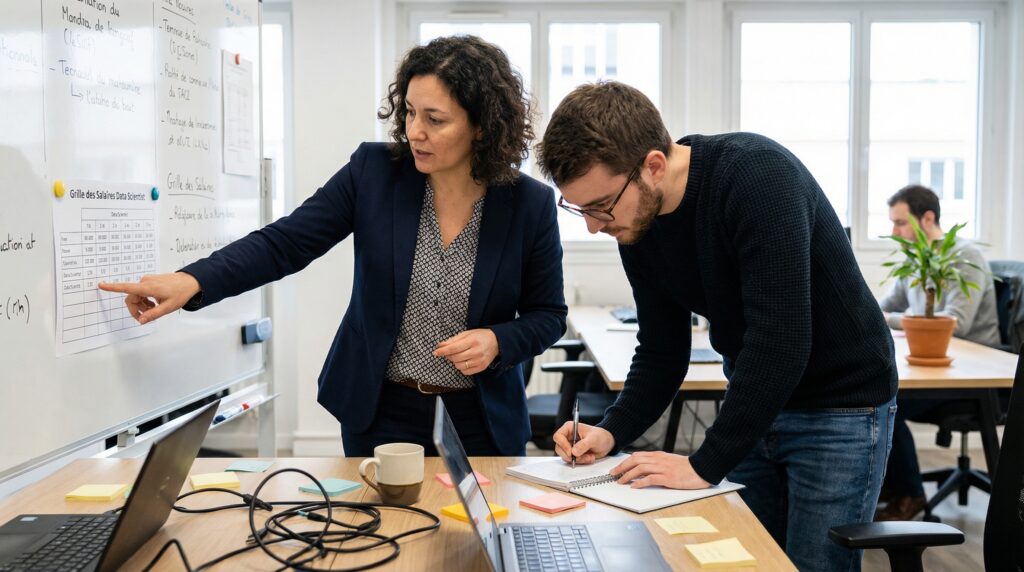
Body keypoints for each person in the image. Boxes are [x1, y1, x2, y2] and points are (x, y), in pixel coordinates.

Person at [99, 36, 567, 457]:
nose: (414, 131)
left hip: (480, 421)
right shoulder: (375, 173)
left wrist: (498, 341)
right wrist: (193, 279)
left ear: (482, 126)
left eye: (435, 119)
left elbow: (548, 314)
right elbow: (285, 242)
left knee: (475, 529)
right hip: (380, 411)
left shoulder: (530, 205)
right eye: (409, 112)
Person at [536, 81, 896, 571]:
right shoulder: (637, 223)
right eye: (580, 210)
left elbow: (781, 341)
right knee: (746, 560)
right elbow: (662, 350)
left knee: (813, 564)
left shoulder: (757, 177)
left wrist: (704, 463)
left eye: (601, 206)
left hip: (841, 407)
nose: (594, 226)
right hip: (756, 400)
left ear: (653, 165)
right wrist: (610, 431)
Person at [875, 184, 999, 520]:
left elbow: (956, 323)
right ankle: (892, 486)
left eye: (900, 223)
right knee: (873, 391)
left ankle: (911, 495)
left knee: (886, 400)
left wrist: (888, 319)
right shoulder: (916, 261)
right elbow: (884, 306)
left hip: (973, 377)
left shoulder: (963, 257)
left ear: (927, 219)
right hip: (935, 367)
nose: (895, 232)